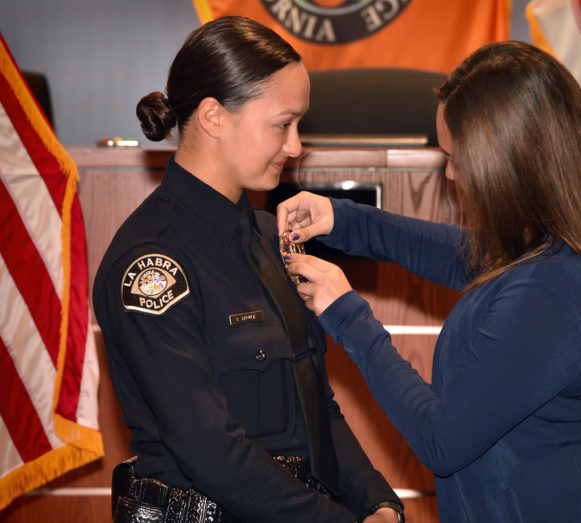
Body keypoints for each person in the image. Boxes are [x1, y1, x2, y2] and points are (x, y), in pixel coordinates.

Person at [277, 41, 581, 522]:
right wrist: (346, 220)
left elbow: (441, 439)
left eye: (457, 157)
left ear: (510, 164)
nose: (452, 174)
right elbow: (478, 259)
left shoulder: (555, 293)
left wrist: (346, 314)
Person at [93, 16, 403, 523]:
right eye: (283, 124)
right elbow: (211, 451)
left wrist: (378, 503)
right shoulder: (151, 266)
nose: (296, 145)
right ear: (214, 116)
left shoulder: (267, 236)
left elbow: (316, 407)